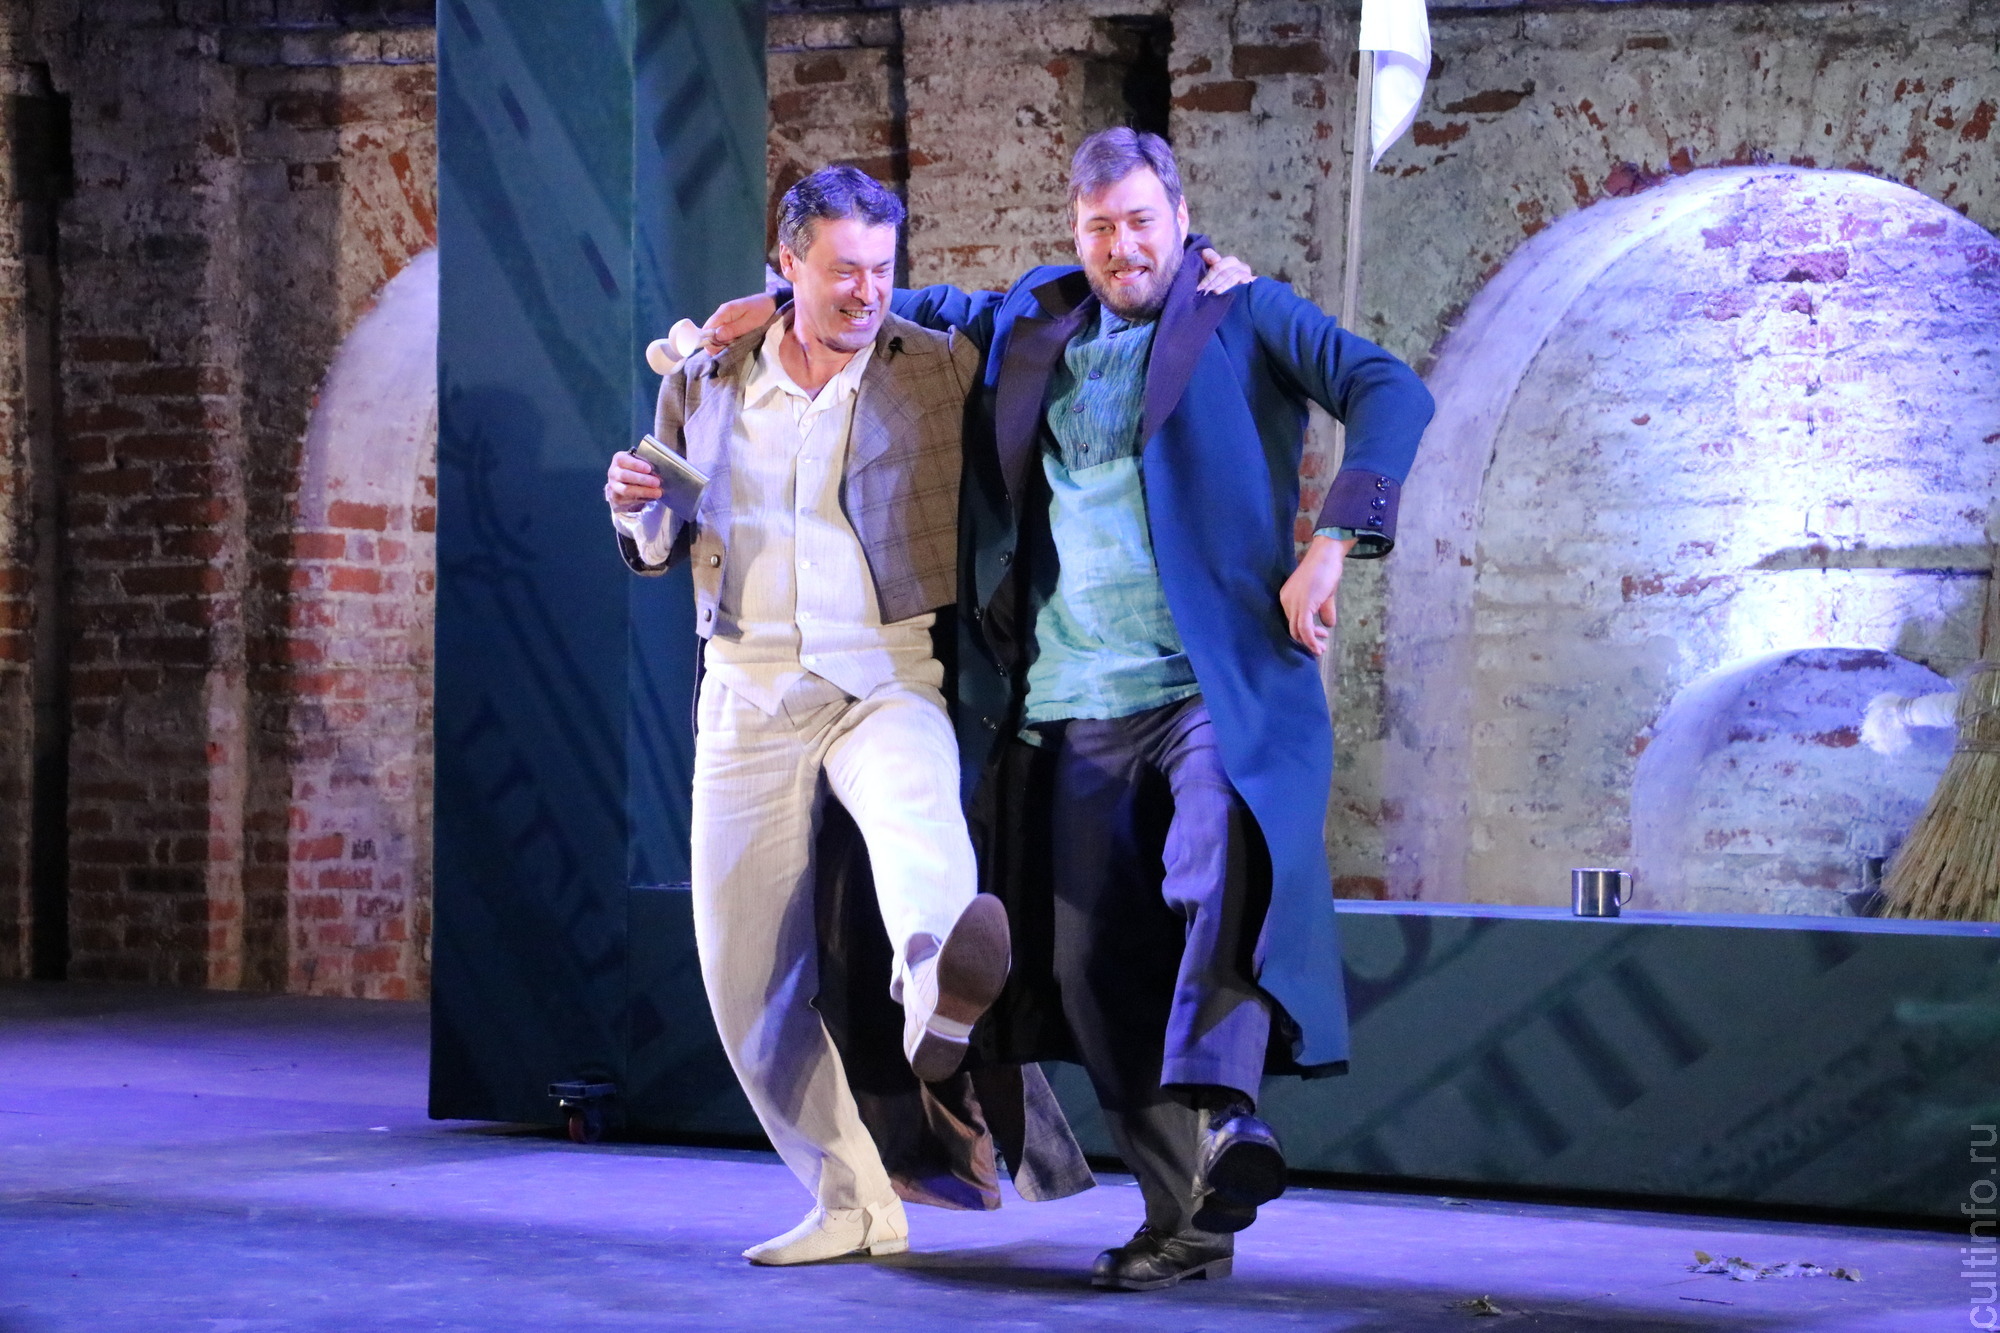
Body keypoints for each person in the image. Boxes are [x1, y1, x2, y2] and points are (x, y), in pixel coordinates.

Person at [701, 127, 1432, 1292]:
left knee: (1214, 869)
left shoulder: (1242, 311)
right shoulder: (1035, 314)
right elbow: (902, 303)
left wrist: (1332, 543)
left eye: (1140, 221)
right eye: (1099, 227)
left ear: (1179, 216)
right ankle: (1184, 1216)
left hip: (1204, 687)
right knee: (1092, 969)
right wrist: (774, 302)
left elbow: (1387, 387)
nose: (1120, 246)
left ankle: (1228, 1118)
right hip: (1066, 707)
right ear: (1074, 233)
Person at [602, 165, 1014, 1267]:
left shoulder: (934, 365)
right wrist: (635, 509)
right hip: (745, 682)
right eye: (841, 271)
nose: (865, 291)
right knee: (740, 973)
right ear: (787, 262)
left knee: (919, 823)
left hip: (884, 671)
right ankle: (851, 1197)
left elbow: (1039, 307)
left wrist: (1210, 273)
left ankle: (936, 992)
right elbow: (662, 540)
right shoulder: (706, 378)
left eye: (882, 269)